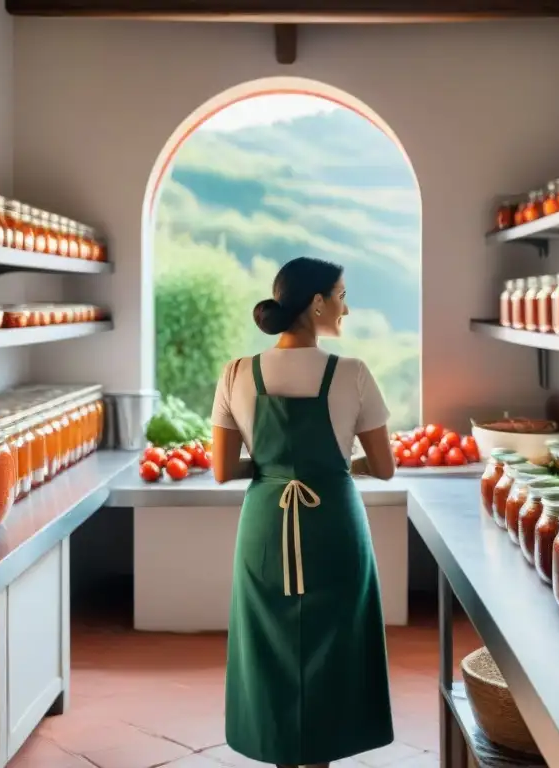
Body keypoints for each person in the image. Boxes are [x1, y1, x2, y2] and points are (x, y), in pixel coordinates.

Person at [210, 256, 397, 768]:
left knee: (268, 642)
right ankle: (323, 756)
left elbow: (223, 469)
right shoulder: (353, 374)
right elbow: (384, 467)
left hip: (266, 525)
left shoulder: (236, 373)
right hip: (334, 520)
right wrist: (332, 469)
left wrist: (276, 474)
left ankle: (279, 753)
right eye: (340, 295)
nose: (346, 306)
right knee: (335, 641)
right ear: (316, 303)